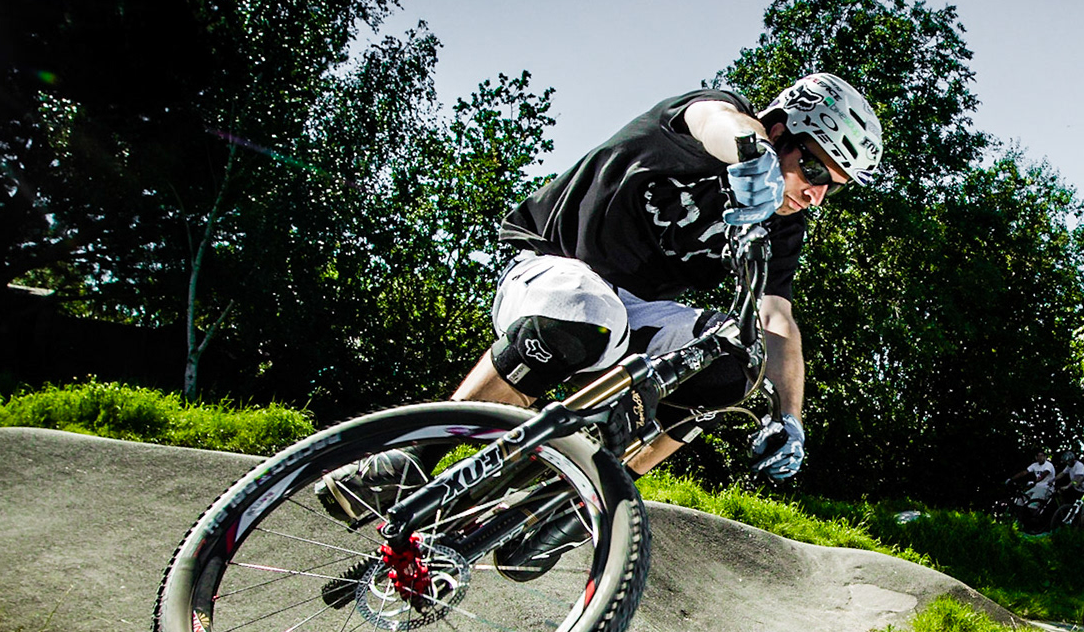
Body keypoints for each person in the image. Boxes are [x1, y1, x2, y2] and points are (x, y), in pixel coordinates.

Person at [316, 73, 885, 582]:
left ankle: (562, 510)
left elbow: (777, 317)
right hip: (550, 264)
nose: (814, 193)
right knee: (591, 313)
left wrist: (790, 416)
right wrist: (749, 152)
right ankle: (408, 458)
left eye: (832, 186)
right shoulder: (707, 118)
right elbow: (718, 121)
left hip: (634, 312)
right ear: (780, 130)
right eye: (813, 168)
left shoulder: (784, 226)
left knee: (732, 362)